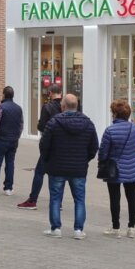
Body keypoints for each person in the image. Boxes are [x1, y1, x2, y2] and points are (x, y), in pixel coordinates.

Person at [39, 94, 98, 239]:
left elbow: (44, 145)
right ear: (76, 106)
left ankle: (56, 228)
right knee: (79, 199)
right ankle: (78, 230)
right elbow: (94, 147)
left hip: (56, 166)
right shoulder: (88, 123)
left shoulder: (53, 122)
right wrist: (85, 160)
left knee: (55, 198)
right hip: (78, 168)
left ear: (63, 106)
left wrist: (47, 160)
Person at [99, 99, 135, 238]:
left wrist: (102, 162)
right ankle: (131, 228)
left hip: (114, 169)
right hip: (133, 168)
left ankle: (116, 227)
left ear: (114, 114)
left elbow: (103, 152)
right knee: (132, 197)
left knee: (115, 198)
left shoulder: (110, 130)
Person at [16, 84, 63, 210]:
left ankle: (32, 200)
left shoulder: (48, 107)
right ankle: (58, 201)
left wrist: (39, 125)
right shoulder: (65, 107)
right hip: (63, 145)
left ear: (50, 93)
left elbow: (42, 126)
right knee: (57, 174)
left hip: (49, 145)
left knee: (39, 172)